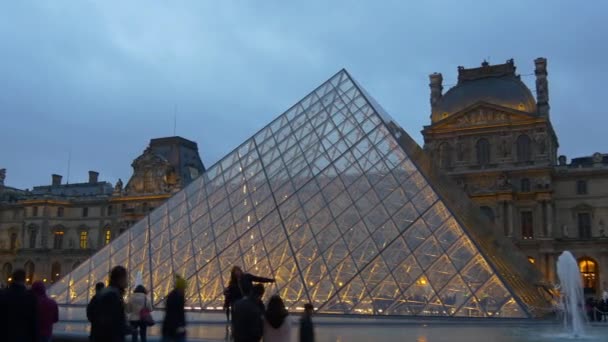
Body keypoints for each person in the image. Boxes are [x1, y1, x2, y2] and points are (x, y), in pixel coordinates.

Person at [92, 266, 130, 342]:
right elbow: (112, 321)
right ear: (120, 279)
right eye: (126, 278)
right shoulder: (113, 295)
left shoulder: (107, 293)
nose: (127, 281)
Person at [0, 269, 39, 342]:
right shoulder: (30, 297)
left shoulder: (2, 295)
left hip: (4, 336)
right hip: (24, 337)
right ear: (24, 279)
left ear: (12, 278)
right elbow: (34, 322)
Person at [162, 276, 187, 342]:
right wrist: (181, 324)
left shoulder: (174, 295)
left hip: (170, 326)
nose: (184, 289)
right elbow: (178, 312)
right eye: (183, 288)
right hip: (173, 327)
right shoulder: (176, 297)